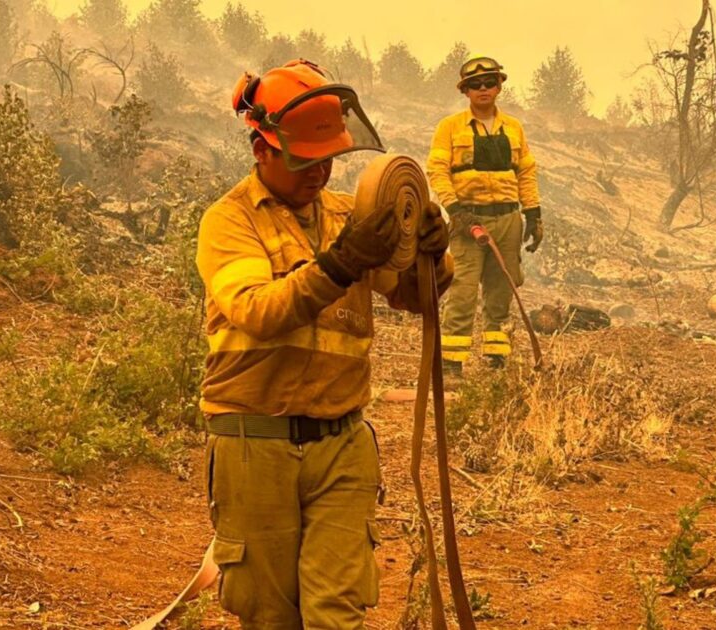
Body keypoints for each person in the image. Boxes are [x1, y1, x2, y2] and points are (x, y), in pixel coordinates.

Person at [194, 58, 453, 629]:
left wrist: (433, 250)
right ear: (260, 149)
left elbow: (412, 294)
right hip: (254, 441)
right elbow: (257, 311)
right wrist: (339, 264)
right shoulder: (229, 221)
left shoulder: (349, 216)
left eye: (329, 160)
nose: (320, 173)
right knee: (272, 616)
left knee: (336, 614)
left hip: (342, 443)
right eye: (304, 160)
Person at [426, 55, 542, 373]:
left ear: (499, 86)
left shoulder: (514, 128)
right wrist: (455, 210)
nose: (483, 88)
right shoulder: (449, 128)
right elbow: (437, 171)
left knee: (501, 291)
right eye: (475, 84)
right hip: (468, 221)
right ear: (465, 91)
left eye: (490, 82)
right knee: (463, 290)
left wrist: (533, 215)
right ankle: (450, 365)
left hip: (508, 220)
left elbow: (526, 173)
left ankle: (496, 360)